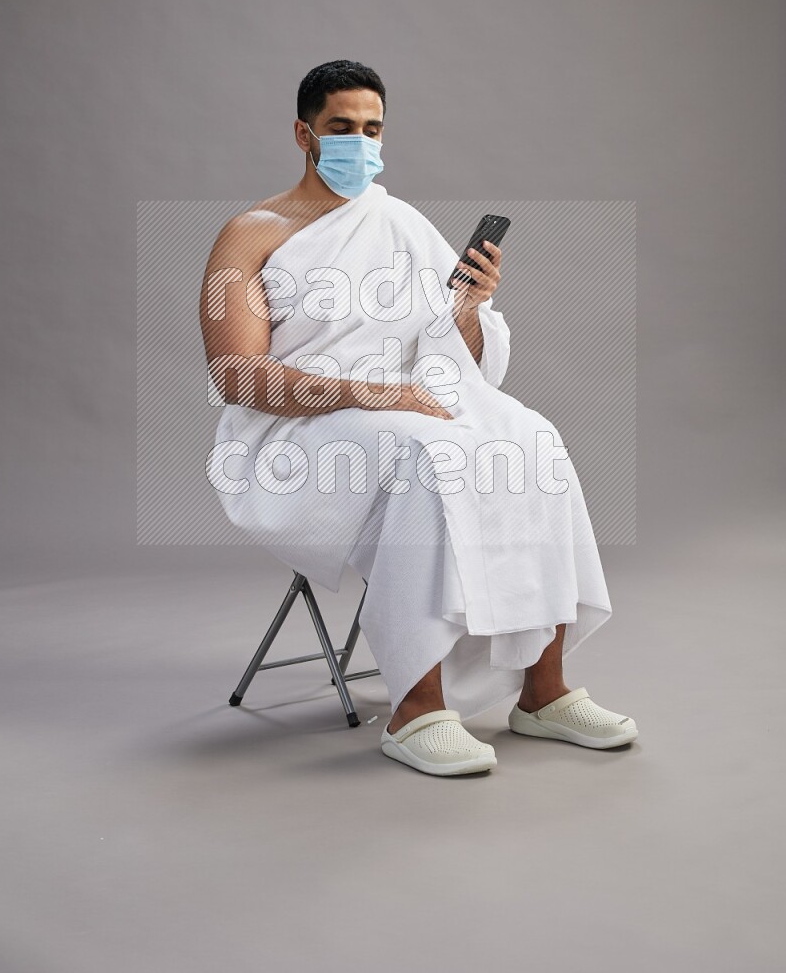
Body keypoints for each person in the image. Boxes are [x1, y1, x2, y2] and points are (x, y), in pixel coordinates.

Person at [200, 58, 638, 777]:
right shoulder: (250, 234)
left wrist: (467, 305)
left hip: (408, 402)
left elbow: (450, 350)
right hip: (294, 431)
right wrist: (375, 395)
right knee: (427, 455)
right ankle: (416, 708)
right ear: (304, 134)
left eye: (372, 129)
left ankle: (544, 692)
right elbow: (236, 375)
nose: (360, 143)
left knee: (533, 438)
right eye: (342, 127)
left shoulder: (399, 222)